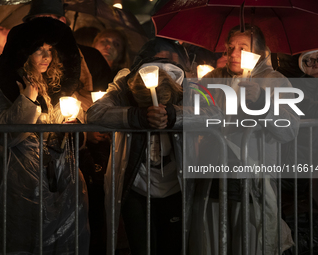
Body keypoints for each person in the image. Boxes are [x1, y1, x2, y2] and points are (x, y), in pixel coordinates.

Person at [86, 34, 221, 254]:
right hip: (136, 185)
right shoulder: (123, 85)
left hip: (175, 184)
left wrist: (173, 116)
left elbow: (214, 114)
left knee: (173, 246)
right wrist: (137, 117)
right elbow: (95, 114)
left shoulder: (190, 87)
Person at [194, 24, 300, 255]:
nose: (233, 54)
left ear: (260, 53)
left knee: (249, 244)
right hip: (214, 176)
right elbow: (194, 113)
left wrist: (262, 102)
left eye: (243, 48)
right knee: (214, 243)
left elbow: (289, 130)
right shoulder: (213, 78)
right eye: (230, 47)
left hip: (254, 180)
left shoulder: (275, 81)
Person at [0, 17, 89, 254]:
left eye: (49, 50)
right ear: (25, 54)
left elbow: (70, 132)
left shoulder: (56, 88)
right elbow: (6, 133)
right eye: (38, 50)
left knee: (63, 236)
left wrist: (73, 124)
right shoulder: (8, 87)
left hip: (59, 175)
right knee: (26, 239)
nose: (46, 56)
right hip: (22, 177)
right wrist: (26, 99)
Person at [281, 49, 318, 254]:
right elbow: (309, 108)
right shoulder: (291, 82)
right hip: (289, 152)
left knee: (300, 198)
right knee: (291, 202)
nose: (316, 64)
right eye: (308, 60)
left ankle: (304, 242)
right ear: (298, 61)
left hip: (309, 152)